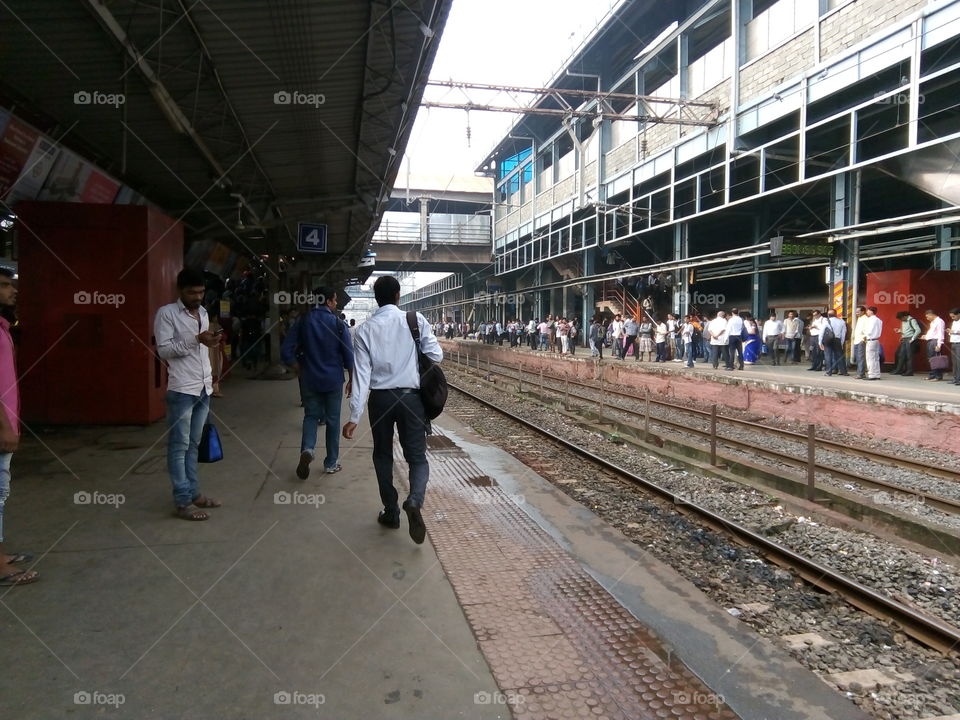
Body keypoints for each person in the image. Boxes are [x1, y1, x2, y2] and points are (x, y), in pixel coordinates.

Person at [343, 276, 442, 544]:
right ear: (398, 295)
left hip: (381, 400)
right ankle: (414, 500)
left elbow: (361, 377)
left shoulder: (364, 330)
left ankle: (391, 511)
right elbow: (436, 355)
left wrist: (354, 416)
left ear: (376, 298)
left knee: (383, 455)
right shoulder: (414, 320)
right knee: (417, 458)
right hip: (411, 399)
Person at [154, 268, 222, 521]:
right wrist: (196, 339)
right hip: (181, 389)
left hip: (203, 387)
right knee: (179, 446)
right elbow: (164, 350)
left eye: (201, 292)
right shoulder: (167, 314)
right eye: (192, 292)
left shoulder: (203, 313)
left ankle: (195, 494)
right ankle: (182, 500)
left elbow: (203, 350)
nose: (197, 297)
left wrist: (213, 374)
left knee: (193, 445)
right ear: (179, 290)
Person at [282, 287, 354, 479]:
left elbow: (286, 349)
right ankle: (330, 463)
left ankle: (308, 449)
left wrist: (296, 366)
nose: (336, 303)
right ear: (329, 301)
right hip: (333, 380)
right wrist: (352, 380)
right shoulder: (339, 324)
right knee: (333, 421)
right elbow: (349, 355)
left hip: (309, 378)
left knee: (311, 416)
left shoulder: (302, 321)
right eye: (335, 300)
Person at [0, 267, 37, 586]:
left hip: (7, 422)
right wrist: (4, 427)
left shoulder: (3, 328)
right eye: (3, 286)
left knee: (1, 491)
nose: (12, 291)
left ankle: (0, 554)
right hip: (1, 427)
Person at [892, 310, 921, 376]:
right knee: (901, 355)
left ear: (905, 316)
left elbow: (918, 330)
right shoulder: (903, 321)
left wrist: (913, 338)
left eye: (901, 318)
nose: (901, 320)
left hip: (910, 339)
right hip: (904, 339)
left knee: (909, 356)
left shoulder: (912, 320)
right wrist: (900, 332)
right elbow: (906, 330)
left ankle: (909, 371)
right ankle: (899, 369)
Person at [821, 310, 849, 376]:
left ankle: (828, 372)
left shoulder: (826, 321)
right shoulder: (841, 321)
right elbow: (843, 333)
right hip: (837, 340)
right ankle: (843, 371)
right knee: (840, 356)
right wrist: (841, 342)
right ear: (836, 314)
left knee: (828, 356)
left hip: (828, 340)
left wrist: (820, 342)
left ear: (828, 315)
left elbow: (821, 332)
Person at [923, 309, 946, 381]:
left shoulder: (939, 321)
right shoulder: (932, 322)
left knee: (936, 359)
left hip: (935, 341)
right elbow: (932, 333)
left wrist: (939, 345)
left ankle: (938, 376)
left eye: (927, 317)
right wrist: (926, 336)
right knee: (931, 359)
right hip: (930, 341)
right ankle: (932, 375)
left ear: (931, 314)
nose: (927, 319)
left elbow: (940, 333)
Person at [861, 306, 882, 381]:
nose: (867, 312)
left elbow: (869, 330)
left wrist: (864, 335)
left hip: (870, 340)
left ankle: (871, 375)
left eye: (868, 311)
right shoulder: (879, 320)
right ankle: (877, 374)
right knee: (876, 358)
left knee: (870, 358)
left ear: (871, 312)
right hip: (876, 340)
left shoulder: (871, 320)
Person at [851, 306, 867, 379]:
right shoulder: (859, 318)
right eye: (856, 311)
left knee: (861, 358)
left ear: (863, 311)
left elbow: (866, 330)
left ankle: (861, 374)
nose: (856, 313)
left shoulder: (866, 319)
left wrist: (863, 339)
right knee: (858, 358)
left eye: (858, 311)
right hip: (856, 341)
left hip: (861, 341)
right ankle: (860, 372)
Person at [949, 308, 960, 386]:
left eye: (953, 316)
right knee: (954, 362)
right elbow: (952, 332)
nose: (952, 318)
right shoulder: (954, 322)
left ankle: (959, 379)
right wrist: (950, 332)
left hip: (959, 343)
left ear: (959, 314)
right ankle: (955, 378)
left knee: (959, 362)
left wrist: (954, 332)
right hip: (953, 342)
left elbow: (956, 331)